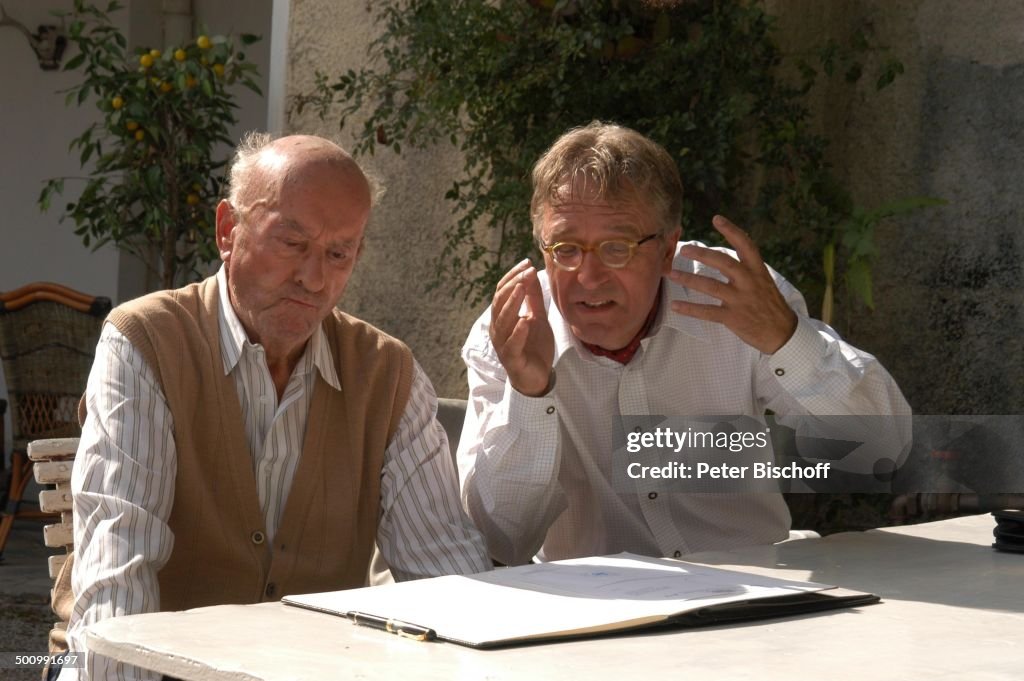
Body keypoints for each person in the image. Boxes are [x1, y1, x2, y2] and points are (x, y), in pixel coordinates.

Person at [60, 133, 490, 681]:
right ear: (227, 230)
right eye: (292, 243)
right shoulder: (147, 341)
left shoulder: (385, 373)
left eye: (339, 254)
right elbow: (118, 584)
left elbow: (443, 571)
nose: (314, 279)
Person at [457, 121, 912, 566]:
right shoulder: (512, 332)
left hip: (755, 600)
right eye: (566, 249)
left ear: (668, 249)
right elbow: (500, 540)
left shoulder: (737, 295)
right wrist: (530, 393)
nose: (588, 278)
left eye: (617, 248)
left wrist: (785, 339)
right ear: (542, 249)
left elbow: (883, 447)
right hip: (598, 620)